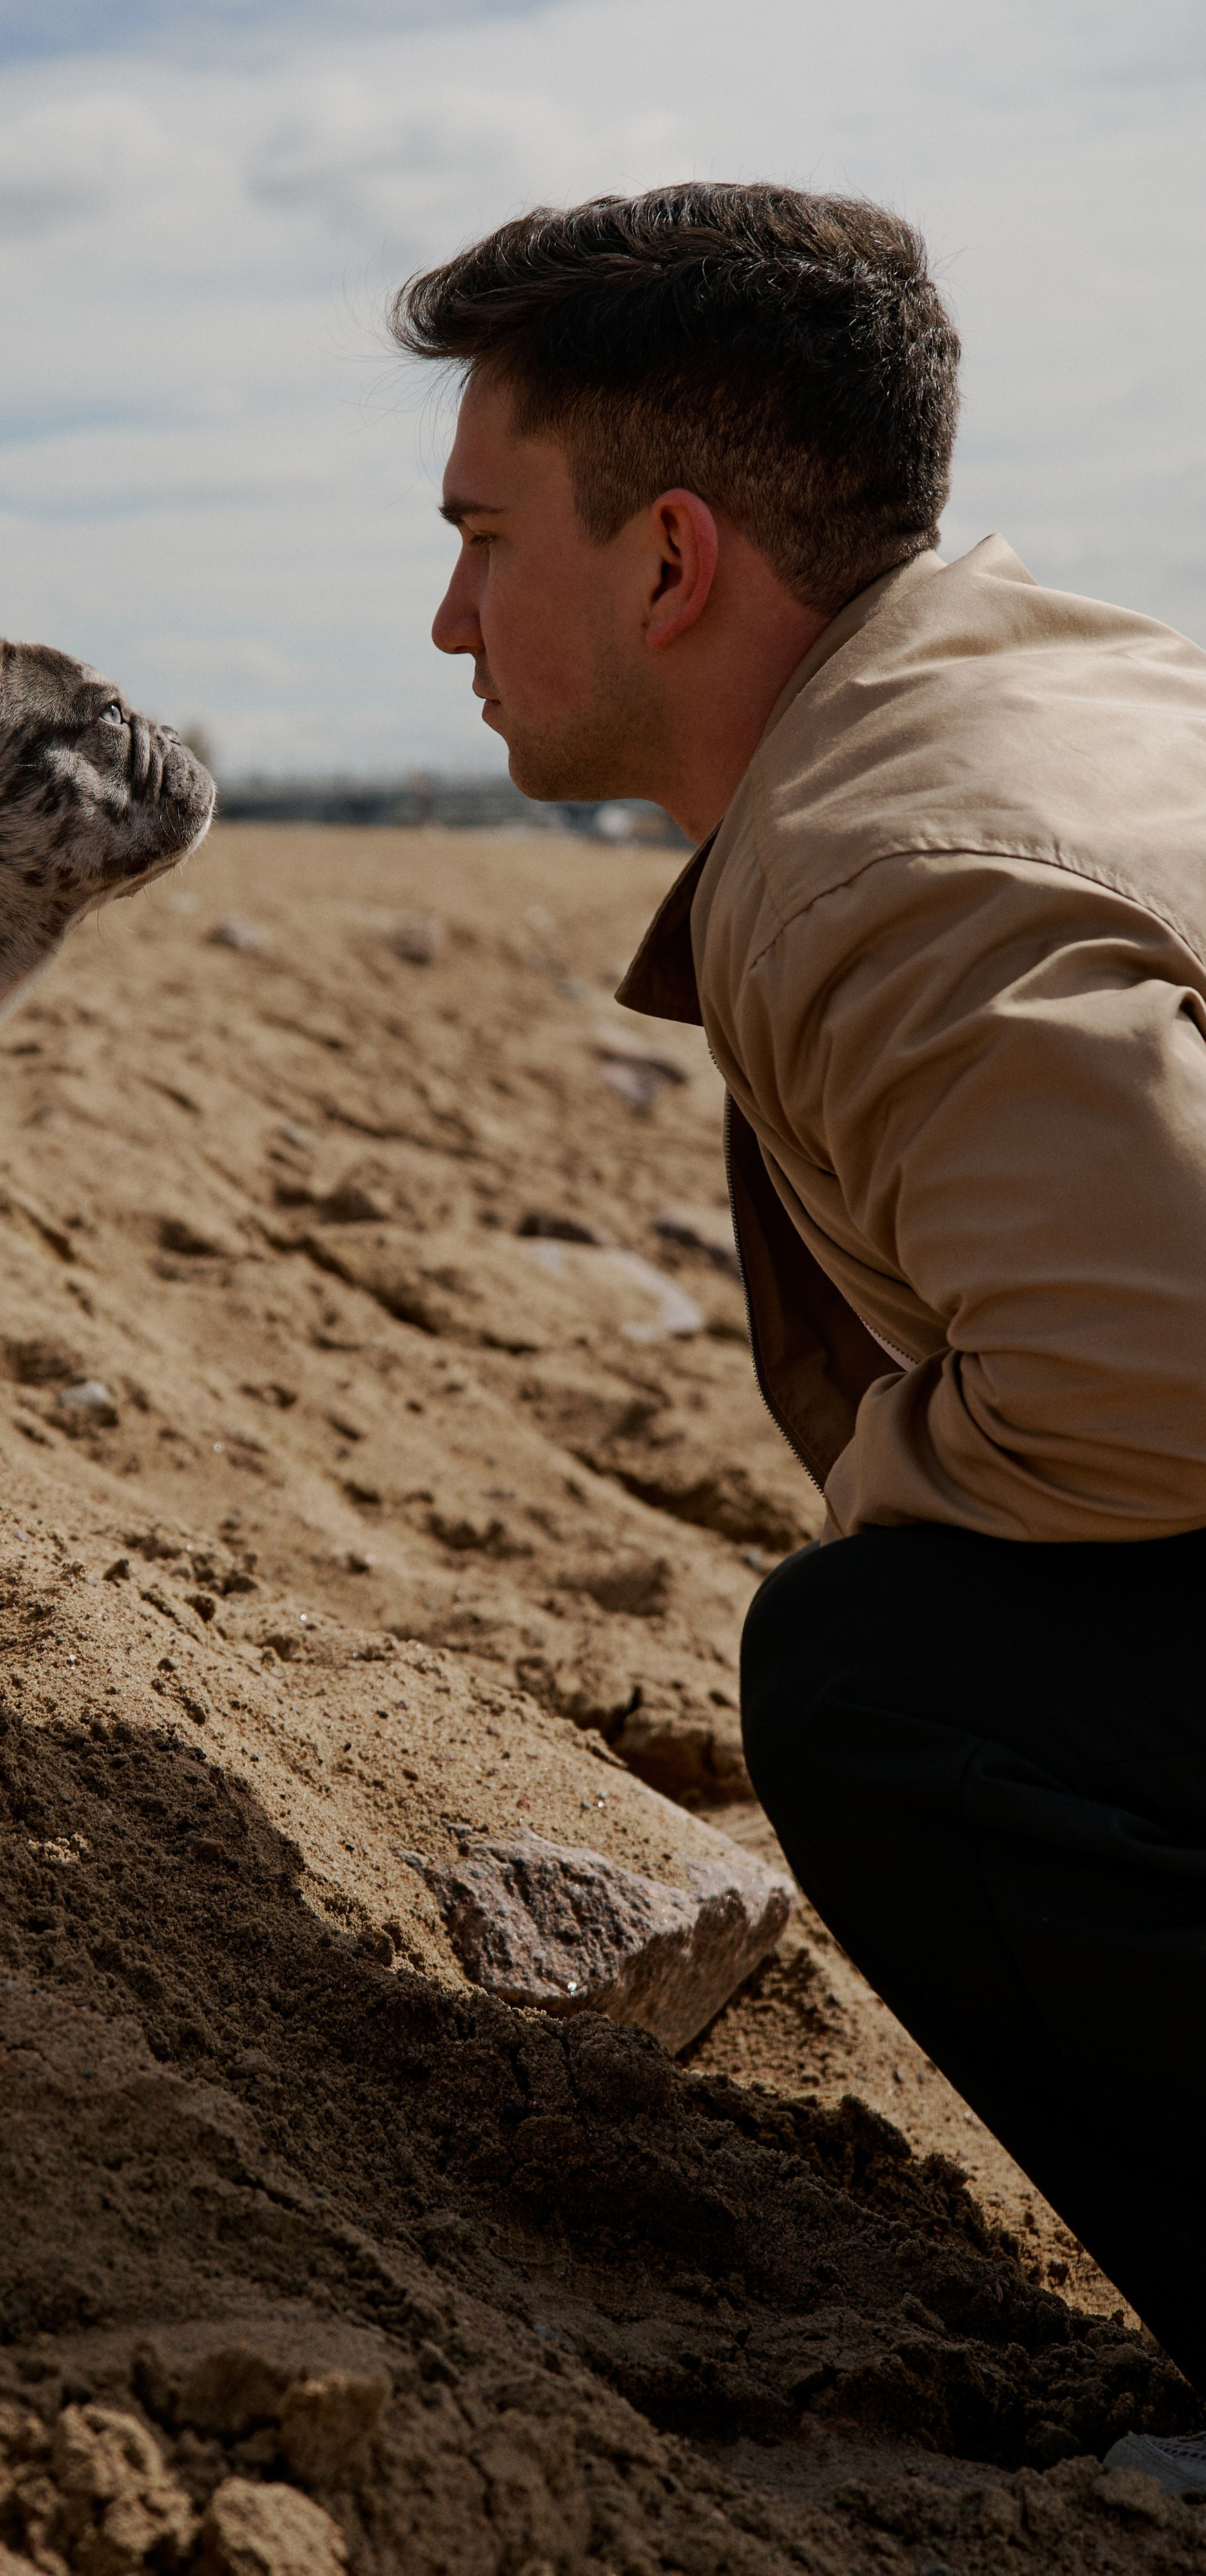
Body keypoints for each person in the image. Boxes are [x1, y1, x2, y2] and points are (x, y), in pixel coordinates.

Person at [392, 181, 1206, 2489]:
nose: (445, 612)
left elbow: (1169, 1378)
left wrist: (889, 1484)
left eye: (480, 533)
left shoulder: (886, 866)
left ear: (668, 562)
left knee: (887, 1670)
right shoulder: (1081, 675)